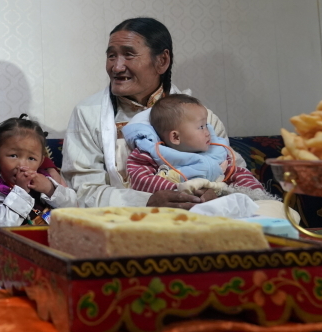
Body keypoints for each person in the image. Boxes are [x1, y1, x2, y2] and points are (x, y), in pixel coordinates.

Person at [61, 17, 248, 210]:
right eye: (111, 56)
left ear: (162, 61)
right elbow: (82, 192)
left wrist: (216, 195)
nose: (116, 67)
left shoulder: (204, 121)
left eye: (128, 55)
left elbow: (239, 178)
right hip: (121, 224)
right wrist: (145, 202)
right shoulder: (87, 115)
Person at [123, 94, 265, 196]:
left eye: (206, 125)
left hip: (217, 198)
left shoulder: (215, 151)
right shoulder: (155, 153)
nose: (208, 132)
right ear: (175, 137)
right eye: (201, 127)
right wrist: (177, 191)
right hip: (177, 203)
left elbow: (237, 173)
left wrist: (256, 194)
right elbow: (141, 179)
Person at [0, 115, 78, 227]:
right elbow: (0, 226)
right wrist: (21, 192)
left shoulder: (44, 179)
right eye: (13, 156)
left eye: (31, 158)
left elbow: (73, 206)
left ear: (41, 161)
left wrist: (50, 189)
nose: (22, 165)